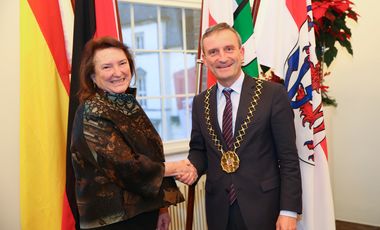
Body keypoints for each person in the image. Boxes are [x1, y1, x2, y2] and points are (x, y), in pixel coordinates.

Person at [182, 23, 302, 230]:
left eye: (229, 49)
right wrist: (192, 167)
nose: (222, 57)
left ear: (242, 53)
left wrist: (288, 211)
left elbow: (289, 158)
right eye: (213, 52)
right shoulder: (200, 102)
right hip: (218, 208)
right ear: (205, 59)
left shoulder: (272, 95)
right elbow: (199, 150)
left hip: (264, 207)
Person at [70, 36, 196, 230]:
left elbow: (152, 155)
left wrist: (162, 208)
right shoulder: (91, 111)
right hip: (114, 220)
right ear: (93, 76)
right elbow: (125, 166)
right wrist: (176, 167)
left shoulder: (127, 105)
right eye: (106, 67)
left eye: (122, 63)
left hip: (144, 213)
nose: (118, 72)